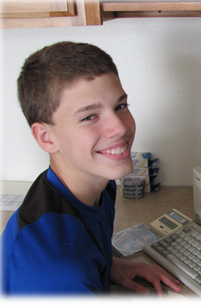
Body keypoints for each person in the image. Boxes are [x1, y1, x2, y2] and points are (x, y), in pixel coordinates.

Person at [0, 41, 182, 304]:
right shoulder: (64, 277)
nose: (119, 128)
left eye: (120, 106)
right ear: (46, 137)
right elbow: (65, 274)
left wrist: (108, 266)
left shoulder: (96, 184)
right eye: (89, 117)